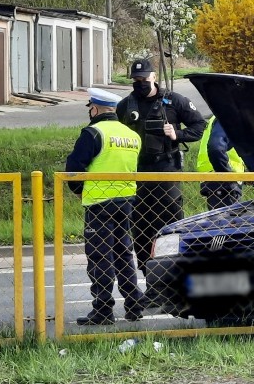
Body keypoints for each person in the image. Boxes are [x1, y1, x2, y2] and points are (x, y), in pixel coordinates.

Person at [116, 59, 206, 275]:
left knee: (170, 226)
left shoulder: (174, 101)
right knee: (141, 230)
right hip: (137, 174)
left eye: (144, 79)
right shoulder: (126, 106)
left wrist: (177, 135)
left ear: (154, 77)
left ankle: (175, 280)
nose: (140, 84)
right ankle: (150, 281)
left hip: (166, 172)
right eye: (136, 80)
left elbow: (199, 125)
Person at [65, 88, 144, 325]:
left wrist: (80, 191)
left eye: (90, 108)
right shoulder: (131, 135)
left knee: (100, 257)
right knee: (123, 254)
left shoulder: (93, 132)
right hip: (126, 202)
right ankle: (133, 304)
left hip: (99, 205)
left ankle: (102, 310)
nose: (90, 112)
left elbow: (73, 169)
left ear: (96, 109)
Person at [197, 116, 245, 210]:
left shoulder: (216, 117)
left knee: (221, 219)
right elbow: (216, 149)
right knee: (230, 221)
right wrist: (228, 176)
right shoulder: (227, 118)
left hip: (214, 174)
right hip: (223, 176)